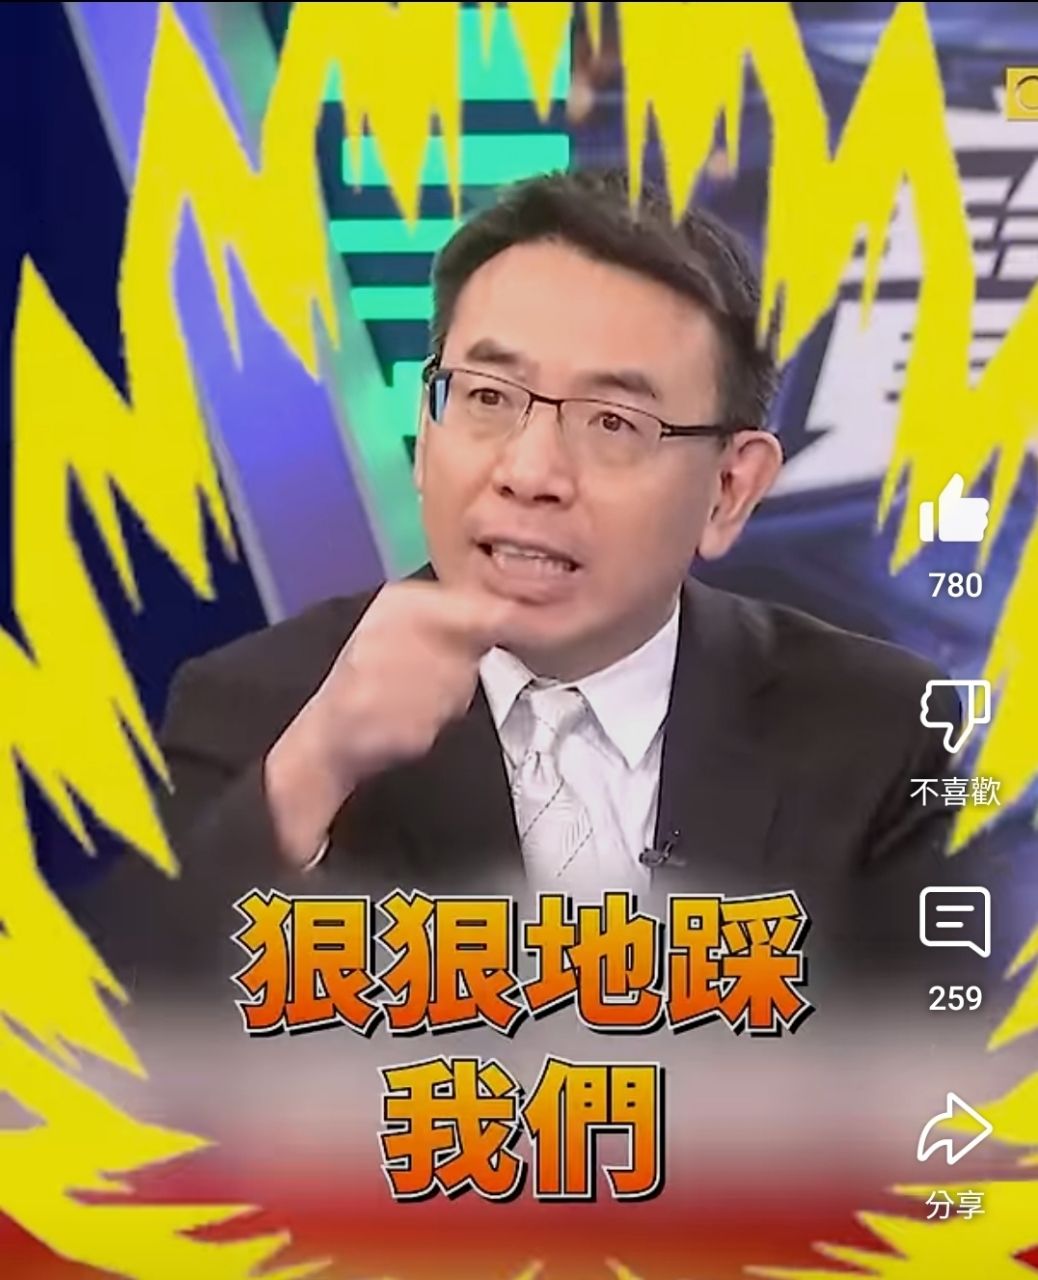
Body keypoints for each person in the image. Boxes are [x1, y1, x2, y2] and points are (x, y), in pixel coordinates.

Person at [76, 168, 969, 989]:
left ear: (730, 489)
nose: (529, 472)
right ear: (424, 436)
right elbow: (118, 1048)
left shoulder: (879, 734)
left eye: (613, 422)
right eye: (487, 398)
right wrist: (313, 773)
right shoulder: (257, 709)